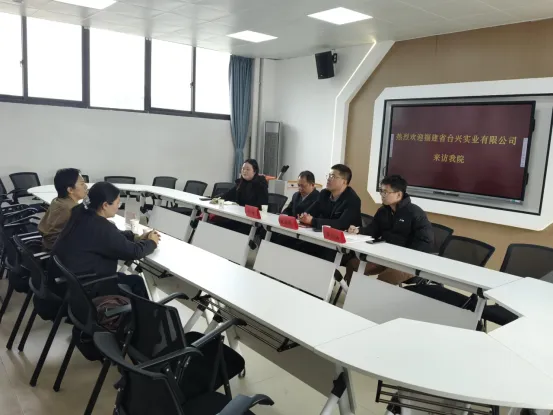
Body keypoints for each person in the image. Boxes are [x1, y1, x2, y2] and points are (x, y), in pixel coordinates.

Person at [52, 182, 160, 298]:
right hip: (88, 287)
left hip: (70, 282)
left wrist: (135, 237)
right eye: (118, 203)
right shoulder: (100, 227)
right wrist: (152, 242)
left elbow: (113, 235)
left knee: (132, 279)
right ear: (105, 205)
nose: (118, 207)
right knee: (137, 282)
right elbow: (135, 252)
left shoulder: (81, 212)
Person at [345, 174, 434, 285]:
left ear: (399, 194)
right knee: (353, 265)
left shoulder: (415, 213)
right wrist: (358, 230)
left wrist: (405, 256)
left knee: (386, 278)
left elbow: (426, 241)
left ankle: (373, 296)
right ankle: (354, 293)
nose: (382, 195)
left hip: (409, 262)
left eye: (385, 192)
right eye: (381, 191)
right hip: (385, 256)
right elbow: (373, 230)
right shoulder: (383, 211)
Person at [299, 164, 362, 230]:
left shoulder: (353, 200)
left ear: (344, 181)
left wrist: (313, 221)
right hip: (322, 233)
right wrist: (304, 216)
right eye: (329, 176)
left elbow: (341, 224)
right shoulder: (324, 193)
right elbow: (310, 211)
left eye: (332, 176)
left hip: (346, 235)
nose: (328, 179)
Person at [38, 168, 88, 250]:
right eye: (82, 184)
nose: (86, 186)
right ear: (70, 190)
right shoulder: (72, 209)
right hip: (60, 250)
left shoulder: (57, 200)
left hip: (48, 244)